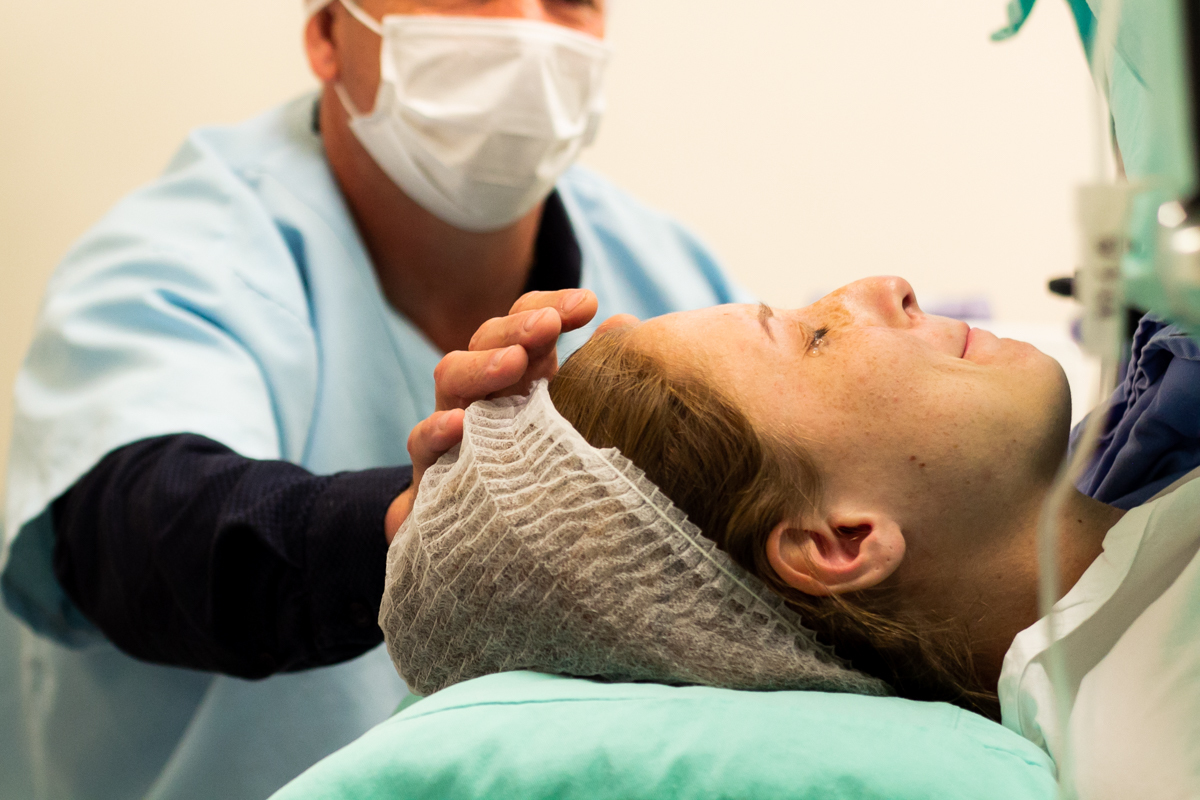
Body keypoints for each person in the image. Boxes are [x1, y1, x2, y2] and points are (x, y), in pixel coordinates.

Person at [0, 0, 750, 796]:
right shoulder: (185, 257)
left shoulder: (670, 282)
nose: (526, 28)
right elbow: (139, 531)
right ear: (329, 35)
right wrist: (418, 525)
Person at [397, 277, 1200, 795]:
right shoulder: (1157, 726)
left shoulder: (1148, 455)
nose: (889, 287)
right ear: (840, 541)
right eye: (817, 337)